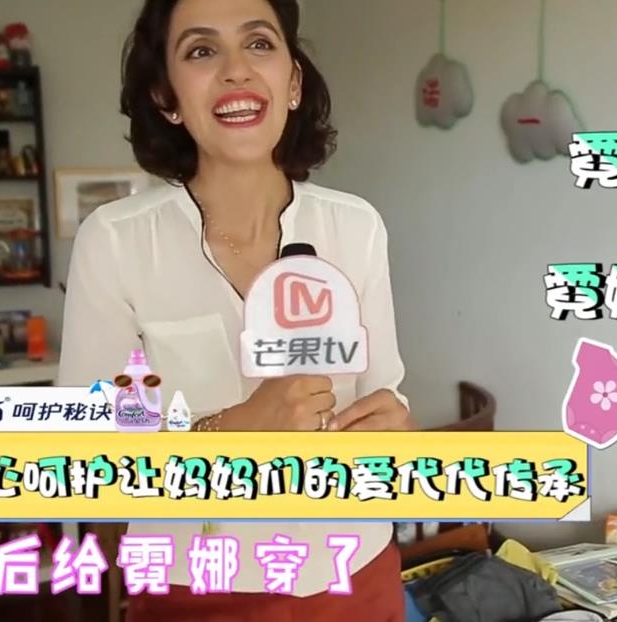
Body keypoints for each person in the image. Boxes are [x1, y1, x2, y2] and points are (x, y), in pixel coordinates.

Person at [56, 0, 413, 619]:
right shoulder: (115, 240)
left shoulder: (356, 227)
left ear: (293, 82)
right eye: (201, 50)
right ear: (166, 96)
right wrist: (235, 428)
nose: (236, 70)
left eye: (259, 44)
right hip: (196, 587)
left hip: (356, 569)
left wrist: (393, 428)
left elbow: (387, 397)